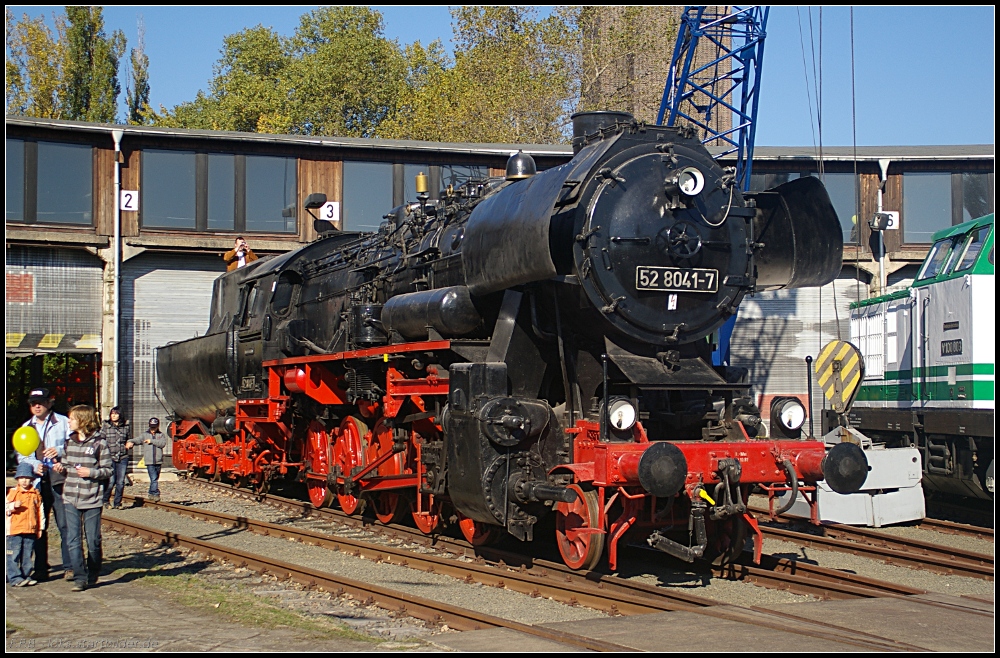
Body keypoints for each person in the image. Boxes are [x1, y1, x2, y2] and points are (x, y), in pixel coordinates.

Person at [18, 387, 71, 582]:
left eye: (40, 402)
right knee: (39, 525)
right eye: (33, 403)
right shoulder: (26, 428)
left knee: (65, 524)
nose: (37, 406)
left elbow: (74, 446)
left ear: (50, 403)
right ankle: (41, 567)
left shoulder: (64, 423)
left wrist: (58, 452)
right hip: (38, 482)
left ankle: (69, 566)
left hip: (60, 480)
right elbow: (22, 455)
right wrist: (35, 465)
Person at [60, 405, 111, 591]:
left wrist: (91, 472)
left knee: (93, 541)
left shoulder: (99, 443)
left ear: (82, 420)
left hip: (92, 498)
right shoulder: (69, 442)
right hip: (71, 497)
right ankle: (79, 577)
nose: (69, 422)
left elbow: (108, 470)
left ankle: (94, 571)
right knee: (73, 539)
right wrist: (61, 467)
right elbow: (66, 463)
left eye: (71, 418)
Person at [6, 462, 45, 587]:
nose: (24, 481)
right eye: (21, 478)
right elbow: (6, 507)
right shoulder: (13, 492)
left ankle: (25, 575)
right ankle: (14, 577)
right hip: (15, 530)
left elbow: (40, 512)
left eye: (27, 478)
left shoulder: (35, 494)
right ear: (17, 479)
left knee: (27, 555)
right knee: (13, 554)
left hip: (30, 529)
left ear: (32, 480)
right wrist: (13, 506)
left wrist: (40, 528)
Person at [101, 406, 133, 510]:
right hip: (110, 457)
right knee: (111, 481)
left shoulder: (126, 427)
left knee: (121, 482)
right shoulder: (106, 426)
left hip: (122, 456)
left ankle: (117, 503)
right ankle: (105, 500)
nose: (114, 415)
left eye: (116, 413)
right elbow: (100, 440)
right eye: (112, 413)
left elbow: (129, 438)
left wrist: (130, 443)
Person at [141, 418, 168, 503]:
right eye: (152, 427)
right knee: (154, 478)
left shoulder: (161, 435)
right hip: (149, 461)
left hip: (158, 460)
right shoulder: (145, 435)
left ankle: (150, 493)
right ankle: (156, 493)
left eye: (154, 427)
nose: (153, 429)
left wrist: (152, 441)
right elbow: (138, 440)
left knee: (155, 477)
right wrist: (130, 442)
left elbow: (162, 443)